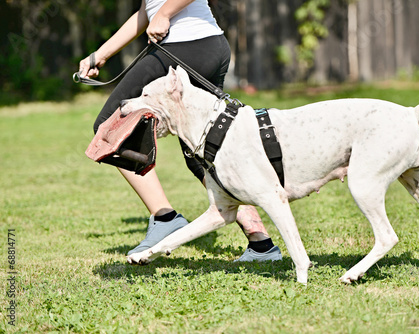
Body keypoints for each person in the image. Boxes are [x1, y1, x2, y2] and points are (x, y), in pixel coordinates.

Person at [78, 0, 282, 261]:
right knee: (200, 151)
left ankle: (165, 217)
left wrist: (164, 14)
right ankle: (260, 242)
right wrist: (101, 54)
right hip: (208, 45)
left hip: (185, 46)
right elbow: (146, 9)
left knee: (111, 125)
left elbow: (157, 10)